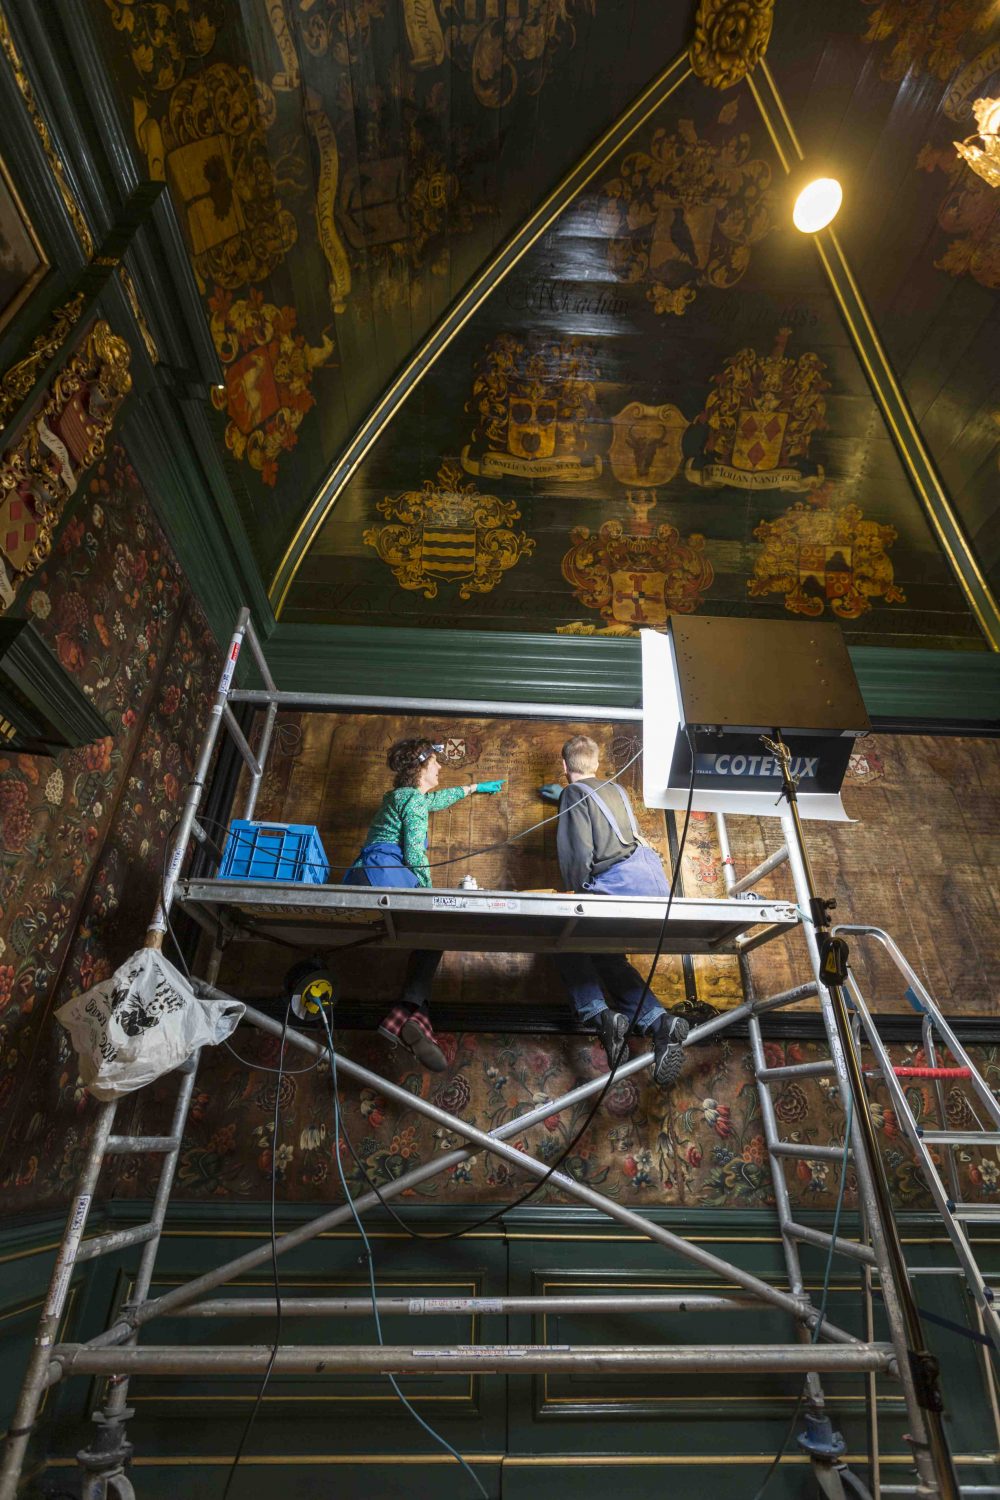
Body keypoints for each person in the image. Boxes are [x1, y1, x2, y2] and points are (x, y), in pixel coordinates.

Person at [345, 737, 504, 1072]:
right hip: (386, 874)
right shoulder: (413, 802)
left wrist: (474, 788)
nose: (440, 766)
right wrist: (428, 895)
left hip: (365, 873)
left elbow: (436, 800)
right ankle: (408, 1014)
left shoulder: (400, 796)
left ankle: (410, 1017)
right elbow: (416, 853)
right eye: (435, 762)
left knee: (428, 939)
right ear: (421, 766)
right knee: (437, 927)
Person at [550, 734, 689, 1086]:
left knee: (563, 939)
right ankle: (660, 1022)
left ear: (564, 766)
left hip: (617, 887)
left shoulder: (572, 794)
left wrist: (575, 892)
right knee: (609, 957)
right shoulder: (618, 791)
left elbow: (578, 856)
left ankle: (598, 1015)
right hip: (652, 889)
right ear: (596, 765)